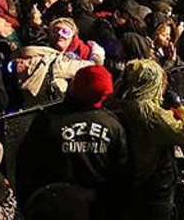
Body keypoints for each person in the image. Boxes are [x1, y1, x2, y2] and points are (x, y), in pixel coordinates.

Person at [17, 65, 128, 217]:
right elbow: (120, 174)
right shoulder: (113, 125)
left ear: (75, 85)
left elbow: (26, 164)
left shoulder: (48, 120)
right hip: (96, 208)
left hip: (54, 206)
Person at [108, 60, 184, 220]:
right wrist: (178, 108)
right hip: (150, 189)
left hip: (119, 186)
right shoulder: (149, 112)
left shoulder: (113, 103)